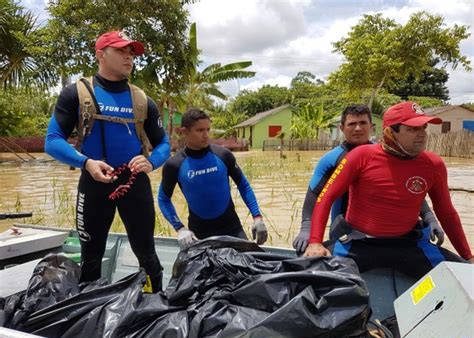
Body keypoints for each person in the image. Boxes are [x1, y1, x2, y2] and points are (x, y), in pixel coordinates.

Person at [45, 31, 170, 292]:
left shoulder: (142, 100)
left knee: (147, 256)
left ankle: (153, 306)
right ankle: (89, 314)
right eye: (122, 51)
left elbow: (164, 144)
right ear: (101, 54)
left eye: (132, 52)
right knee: (91, 259)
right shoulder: (75, 93)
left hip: (134, 185)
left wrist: (152, 162)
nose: (129, 57)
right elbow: (53, 141)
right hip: (93, 183)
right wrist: (86, 162)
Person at [303, 101, 473, 279]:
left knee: (465, 277)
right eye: (412, 129)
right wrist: (314, 241)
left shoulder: (433, 165)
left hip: (409, 244)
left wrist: (468, 256)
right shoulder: (361, 156)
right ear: (390, 132)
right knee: (303, 277)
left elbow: (446, 212)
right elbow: (326, 197)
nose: (422, 134)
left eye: (423, 128)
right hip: (359, 243)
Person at [293, 104, 443, 255]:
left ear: (371, 126)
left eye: (363, 123)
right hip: (345, 232)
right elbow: (315, 194)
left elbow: (409, 190)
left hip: (385, 234)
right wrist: (307, 229)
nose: (358, 128)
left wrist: (429, 218)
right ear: (342, 128)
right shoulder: (331, 160)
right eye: (352, 124)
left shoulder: (390, 155)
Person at [158, 108, 268, 249]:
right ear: (185, 132)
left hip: (232, 229)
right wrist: (180, 228)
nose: (206, 135)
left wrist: (257, 218)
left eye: (208, 129)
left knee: (250, 267)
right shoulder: (174, 164)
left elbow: (244, 185)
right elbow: (163, 199)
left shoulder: (223, 155)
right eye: (200, 130)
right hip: (198, 234)